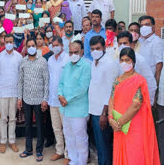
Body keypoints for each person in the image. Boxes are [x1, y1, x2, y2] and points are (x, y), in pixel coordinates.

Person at [108, 47, 160, 165]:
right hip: (118, 126)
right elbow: (111, 99)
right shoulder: (117, 80)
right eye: (122, 60)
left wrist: (119, 122)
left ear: (133, 62)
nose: (124, 63)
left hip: (133, 126)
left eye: (127, 60)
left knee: (134, 156)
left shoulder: (139, 80)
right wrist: (111, 119)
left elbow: (136, 106)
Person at [58, 41, 91, 165]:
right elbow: (61, 83)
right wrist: (60, 95)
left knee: (80, 138)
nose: (73, 55)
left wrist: (67, 99)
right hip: (66, 109)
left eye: (75, 52)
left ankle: (81, 162)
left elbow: (83, 88)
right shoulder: (67, 66)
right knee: (69, 136)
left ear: (82, 51)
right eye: (70, 52)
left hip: (78, 110)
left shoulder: (86, 66)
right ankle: (73, 160)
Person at [89, 36, 119, 165]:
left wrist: (104, 114)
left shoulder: (110, 64)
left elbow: (110, 91)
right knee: (99, 145)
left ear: (104, 48)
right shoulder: (94, 62)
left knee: (104, 145)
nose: (95, 51)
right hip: (94, 109)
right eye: (92, 49)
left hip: (102, 112)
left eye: (98, 48)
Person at [17, 38, 49, 162]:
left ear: (36, 46)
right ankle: (28, 149)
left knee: (40, 126)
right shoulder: (23, 61)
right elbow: (20, 81)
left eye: (33, 45)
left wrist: (45, 99)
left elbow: (46, 81)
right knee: (28, 125)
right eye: (28, 45)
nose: (31, 47)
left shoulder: (42, 61)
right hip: (26, 98)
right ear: (26, 47)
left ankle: (39, 151)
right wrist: (19, 98)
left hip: (39, 99)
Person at [0, 34, 22, 153]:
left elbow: (21, 77)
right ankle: (3, 142)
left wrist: (20, 96)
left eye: (11, 41)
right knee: (3, 118)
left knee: (13, 119)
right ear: (4, 43)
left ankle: (12, 141)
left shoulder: (19, 57)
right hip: (3, 92)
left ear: (14, 42)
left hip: (14, 92)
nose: (9, 44)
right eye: (7, 42)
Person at [117, 31, 157, 106]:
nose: (122, 46)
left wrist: (149, 104)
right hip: (123, 102)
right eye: (120, 43)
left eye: (125, 43)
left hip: (138, 102)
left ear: (131, 44)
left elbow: (150, 83)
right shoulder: (117, 60)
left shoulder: (140, 60)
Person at [47, 36, 69, 161]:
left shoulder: (67, 59)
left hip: (63, 100)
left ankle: (68, 153)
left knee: (66, 128)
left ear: (61, 45)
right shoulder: (50, 60)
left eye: (56, 45)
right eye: (52, 45)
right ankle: (59, 150)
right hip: (52, 99)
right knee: (56, 128)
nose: (54, 47)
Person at [138, 15, 163, 86]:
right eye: (141, 25)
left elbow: (159, 65)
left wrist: (156, 85)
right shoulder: (141, 41)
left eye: (147, 25)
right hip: (141, 81)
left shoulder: (156, 41)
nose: (144, 27)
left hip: (151, 83)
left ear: (153, 28)